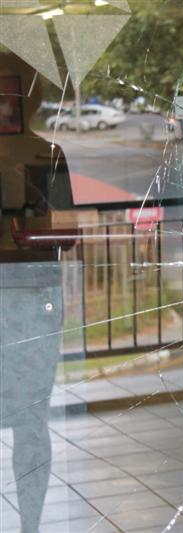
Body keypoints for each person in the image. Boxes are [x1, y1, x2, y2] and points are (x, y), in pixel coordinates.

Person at [0, 52, 73, 533]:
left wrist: (31, 229)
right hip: (30, 289)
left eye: (12, 90)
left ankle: (31, 523)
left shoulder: (46, 155)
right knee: (29, 420)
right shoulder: (42, 154)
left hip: (32, 292)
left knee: (31, 419)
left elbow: (65, 231)